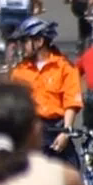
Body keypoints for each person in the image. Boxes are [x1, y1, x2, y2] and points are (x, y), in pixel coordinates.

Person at [8, 19, 82, 168]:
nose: (21, 46)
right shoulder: (19, 72)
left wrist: (66, 132)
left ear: (39, 41)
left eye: (25, 41)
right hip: (30, 131)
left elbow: (71, 102)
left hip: (56, 129)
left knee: (71, 173)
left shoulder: (64, 67)